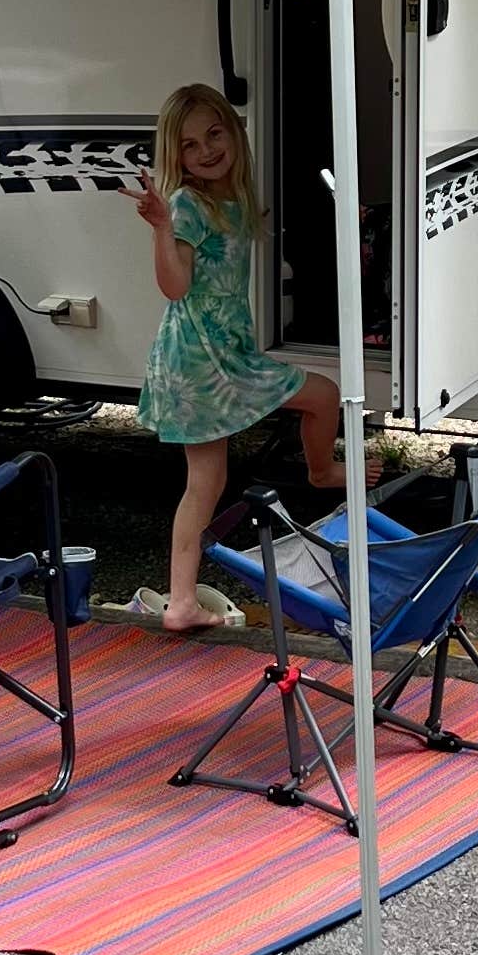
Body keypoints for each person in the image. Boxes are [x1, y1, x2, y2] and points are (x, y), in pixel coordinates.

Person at [133, 80, 365, 634]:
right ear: (176, 157)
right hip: (200, 361)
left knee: (210, 477)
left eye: (214, 134)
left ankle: (184, 600)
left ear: (234, 132)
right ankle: (321, 470)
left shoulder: (231, 198)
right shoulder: (188, 204)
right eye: (190, 145)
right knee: (313, 402)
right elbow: (173, 285)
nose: (207, 150)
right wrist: (163, 229)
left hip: (221, 355)